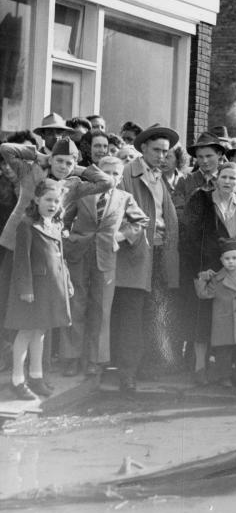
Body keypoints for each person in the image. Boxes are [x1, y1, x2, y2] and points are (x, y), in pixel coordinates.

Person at [60, 157, 149, 377]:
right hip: (78, 256)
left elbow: (141, 221)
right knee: (76, 305)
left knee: (101, 310)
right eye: (106, 171)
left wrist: (120, 235)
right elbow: (63, 219)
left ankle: (94, 360)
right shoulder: (82, 193)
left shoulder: (125, 198)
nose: (111, 176)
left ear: (120, 178)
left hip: (106, 258)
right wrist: (68, 238)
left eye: (116, 173)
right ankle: (71, 358)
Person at [115, 124, 181, 393]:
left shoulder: (159, 177)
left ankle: (144, 366)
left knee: (152, 313)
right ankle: (126, 373)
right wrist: (131, 236)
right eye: (157, 150)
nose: (162, 156)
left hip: (158, 253)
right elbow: (116, 212)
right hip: (135, 253)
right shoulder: (127, 174)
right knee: (130, 313)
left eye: (166, 152)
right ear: (142, 148)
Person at [6, 178, 72, 400]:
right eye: (48, 200)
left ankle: (36, 376)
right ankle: (17, 380)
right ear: (36, 199)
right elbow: (21, 260)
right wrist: (25, 288)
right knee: (25, 332)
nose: (52, 205)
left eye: (56, 201)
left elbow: (61, 259)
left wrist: (68, 282)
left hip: (50, 289)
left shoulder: (55, 225)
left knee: (40, 332)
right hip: (32, 290)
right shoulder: (26, 225)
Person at [194, 237, 236, 386]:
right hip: (225, 321)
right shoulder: (217, 279)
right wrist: (202, 279)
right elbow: (204, 294)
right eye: (227, 258)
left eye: (234, 258)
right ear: (221, 260)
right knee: (224, 351)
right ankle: (224, 377)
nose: (231, 261)